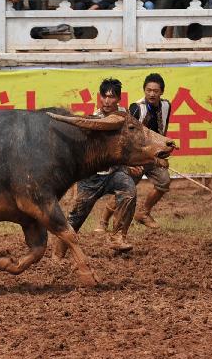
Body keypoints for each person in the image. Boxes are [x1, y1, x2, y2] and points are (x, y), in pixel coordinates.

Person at [59, 78, 138, 253]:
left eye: (112, 97)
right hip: (91, 177)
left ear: (119, 99)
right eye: (104, 96)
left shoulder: (126, 117)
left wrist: (133, 162)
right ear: (100, 97)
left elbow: (132, 144)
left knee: (129, 191)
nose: (107, 101)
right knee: (75, 219)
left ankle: (118, 237)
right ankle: (58, 253)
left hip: (114, 173)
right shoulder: (94, 121)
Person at [125, 73, 173, 229]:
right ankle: (103, 221)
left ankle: (144, 213)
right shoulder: (136, 108)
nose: (152, 94)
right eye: (148, 90)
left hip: (153, 156)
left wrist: (164, 149)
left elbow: (161, 132)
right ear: (144, 90)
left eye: (155, 91)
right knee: (126, 189)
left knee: (164, 181)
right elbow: (127, 137)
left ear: (161, 92)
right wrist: (129, 162)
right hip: (136, 157)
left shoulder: (166, 106)